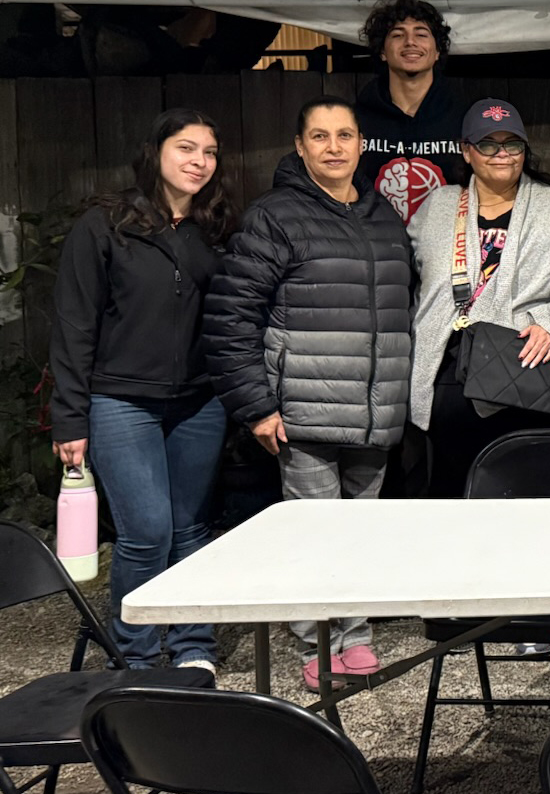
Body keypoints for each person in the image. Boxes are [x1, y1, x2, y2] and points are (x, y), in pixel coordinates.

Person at [202, 96, 413, 690]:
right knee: (313, 533)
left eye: (344, 135)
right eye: (319, 136)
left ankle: (358, 636)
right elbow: (232, 315)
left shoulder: (382, 214)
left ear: (361, 144)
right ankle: (318, 641)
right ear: (299, 147)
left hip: (375, 411)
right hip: (305, 411)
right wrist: (258, 405)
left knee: (360, 533)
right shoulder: (274, 216)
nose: (334, 147)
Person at [50, 109, 237, 675]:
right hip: (120, 401)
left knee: (190, 529)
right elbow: (74, 323)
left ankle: (192, 646)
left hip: (199, 402)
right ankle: (134, 653)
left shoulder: (216, 229)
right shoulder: (105, 224)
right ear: (156, 152)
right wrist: (69, 417)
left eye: (208, 152)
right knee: (147, 531)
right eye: (185, 148)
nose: (197, 161)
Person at [406, 99, 550, 499]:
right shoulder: (439, 205)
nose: (502, 154)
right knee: (450, 490)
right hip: (447, 369)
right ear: (466, 151)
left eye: (512, 144)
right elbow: (408, 276)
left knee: (520, 492)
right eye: (488, 144)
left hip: (520, 368)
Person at [353, 0, 468, 223]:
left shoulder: (465, 116)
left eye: (421, 34)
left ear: (437, 52)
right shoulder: (355, 117)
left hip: (447, 245)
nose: (410, 42)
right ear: (383, 52)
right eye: (397, 34)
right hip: (374, 244)